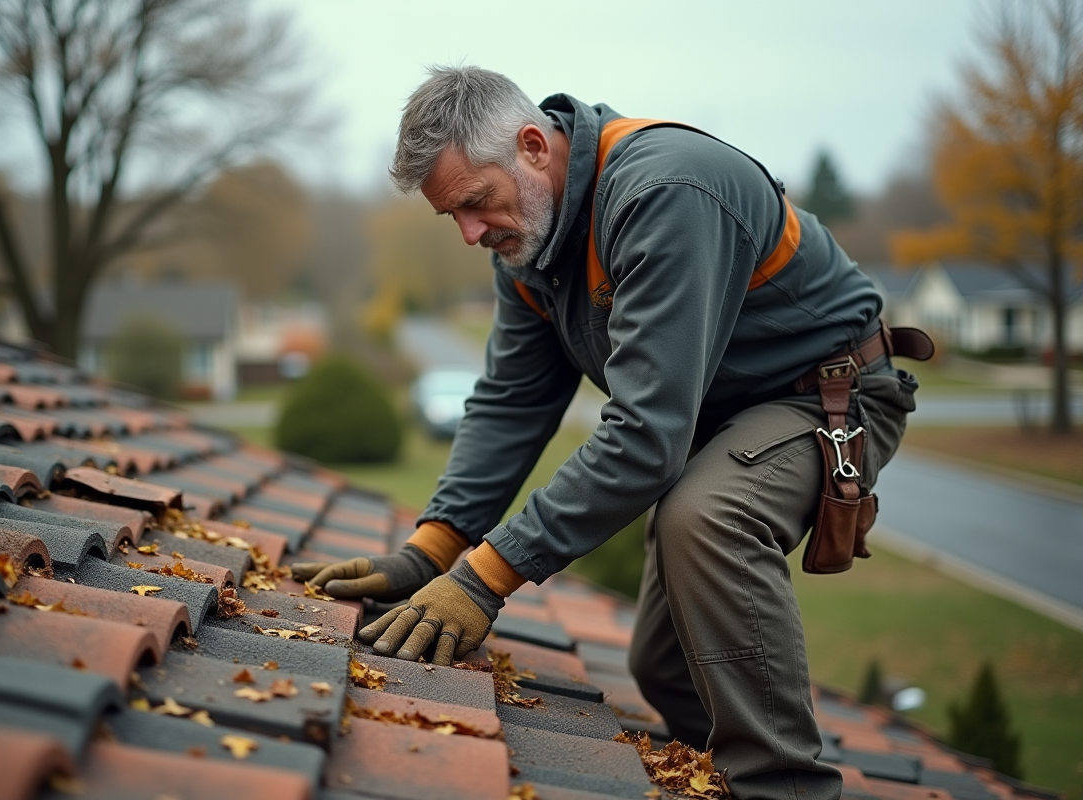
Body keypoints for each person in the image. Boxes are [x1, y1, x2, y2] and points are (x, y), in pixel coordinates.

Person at [292, 65, 924, 800]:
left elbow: (647, 436)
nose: (469, 234)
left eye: (474, 204)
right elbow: (511, 401)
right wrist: (434, 546)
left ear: (533, 146)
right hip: (717, 420)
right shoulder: (528, 242)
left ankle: (783, 789)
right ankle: (719, 777)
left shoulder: (666, 194)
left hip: (828, 399)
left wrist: (485, 579)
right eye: (451, 218)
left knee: (706, 517)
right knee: (669, 667)